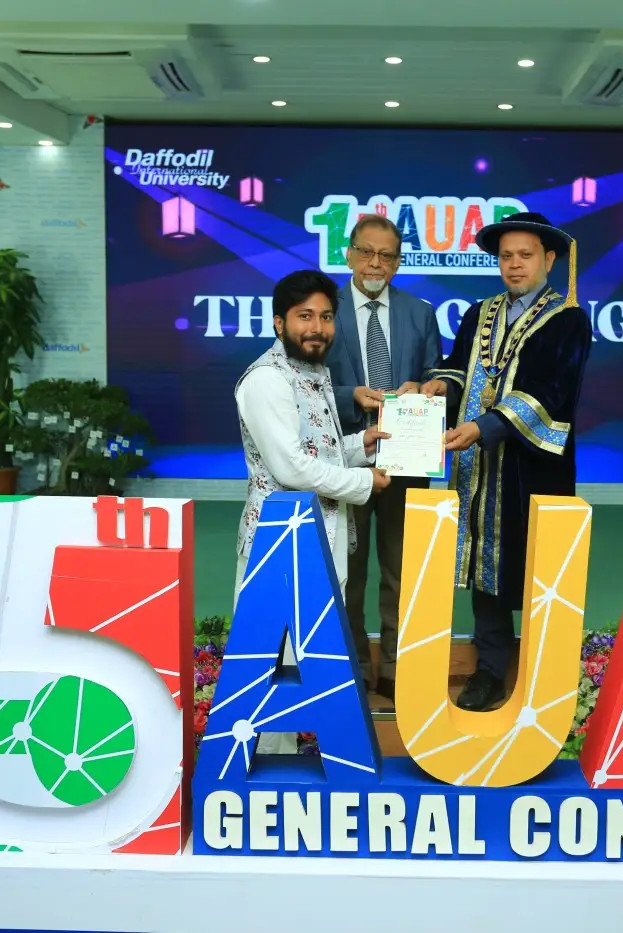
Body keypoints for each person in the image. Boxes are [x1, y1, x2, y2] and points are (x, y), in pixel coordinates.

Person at [419, 212, 592, 712]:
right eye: (506, 256)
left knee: (538, 566)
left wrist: (485, 427)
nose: (514, 265)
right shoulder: (481, 313)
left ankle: (545, 673)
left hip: (532, 467)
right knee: (485, 568)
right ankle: (489, 669)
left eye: (526, 255)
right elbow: (460, 367)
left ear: (549, 259)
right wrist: (442, 385)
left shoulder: (568, 319)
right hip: (478, 468)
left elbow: (553, 393)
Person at [234, 269, 392, 752]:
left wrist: (362, 445)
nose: (317, 328)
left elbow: (317, 450)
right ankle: (260, 770)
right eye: (304, 316)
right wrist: (365, 482)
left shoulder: (313, 372)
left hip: (318, 537)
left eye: (325, 317)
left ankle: (291, 761)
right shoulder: (267, 379)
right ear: (279, 322)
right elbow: (291, 468)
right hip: (278, 544)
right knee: (272, 664)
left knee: (305, 659)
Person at [325, 214, 443, 700]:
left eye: (387, 255)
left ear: (398, 262)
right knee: (346, 571)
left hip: (407, 459)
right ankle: (351, 668)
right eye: (366, 252)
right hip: (344, 457)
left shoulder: (420, 312)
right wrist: (352, 395)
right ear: (349, 254)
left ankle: (395, 667)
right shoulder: (323, 310)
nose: (376, 263)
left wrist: (429, 387)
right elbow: (304, 384)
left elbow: (439, 376)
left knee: (401, 568)